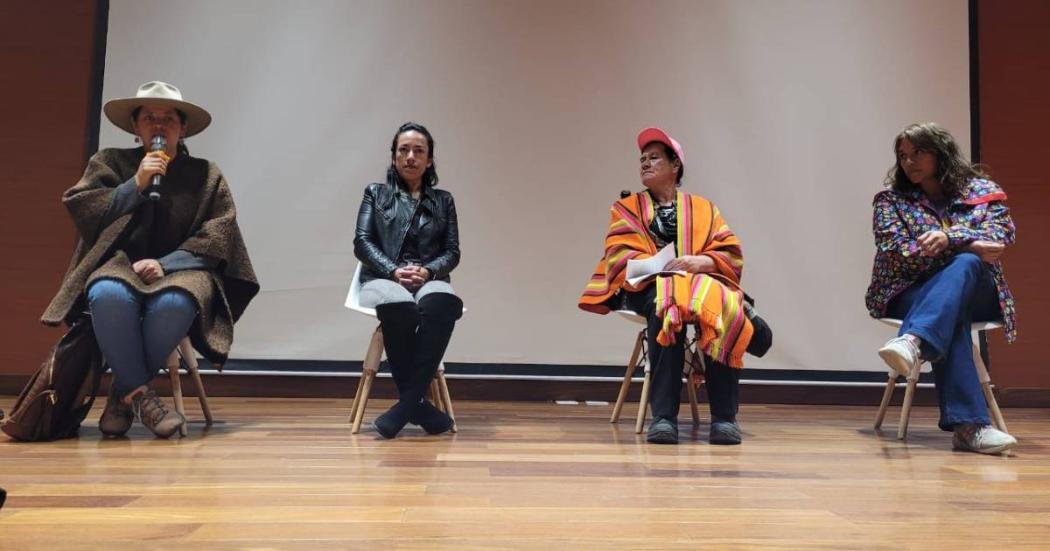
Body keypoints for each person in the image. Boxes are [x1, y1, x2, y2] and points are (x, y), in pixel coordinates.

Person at [41, 81, 258, 438]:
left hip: (184, 267)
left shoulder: (206, 174)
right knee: (107, 294)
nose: (159, 125)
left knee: (176, 301)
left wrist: (166, 264)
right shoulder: (110, 162)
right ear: (135, 126)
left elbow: (220, 233)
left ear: (183, 127)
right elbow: (84, 210)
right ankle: (139, 394)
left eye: (168, 118)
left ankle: (122, 394)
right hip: (119, 263)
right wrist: (135, 185)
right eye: (149, 118)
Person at [580, 127, 768, 445]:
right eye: (642, 158)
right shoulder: (626, 208)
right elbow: (619, 253)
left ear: (675, 165)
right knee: (665, 307)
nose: (645, 163)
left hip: (698, 286)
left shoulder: (703, 208)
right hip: (649, 288)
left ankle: (724, 418)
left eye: (654, 157)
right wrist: (658, 267)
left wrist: (700, 262)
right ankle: (664, 418)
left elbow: (729, 252)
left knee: (721, 309)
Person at [866, 122, 1017, 454]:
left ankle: (913, 341)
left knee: (966, 268)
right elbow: (899, 252)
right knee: (953, 309)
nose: (909, 162)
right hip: (907, 292)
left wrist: (950, 238)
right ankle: (970, 428)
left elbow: (1002, 234)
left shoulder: (981, 192)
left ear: (941, 152)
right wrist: (968, 246)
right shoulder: (891, 201)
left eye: (918, 152)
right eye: (903, 155)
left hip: (978, 293)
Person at [353, 122, 462, 438]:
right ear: (393, 157)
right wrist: (393, 271)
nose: (411, 156)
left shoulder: (444, 200)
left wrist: (428, 272)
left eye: (419, 151)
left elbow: (452, 251)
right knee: (399, 304)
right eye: (404, 150)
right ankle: (419, 407)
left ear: (429, 160)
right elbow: (362, 242)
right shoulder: (376, 193)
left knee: (444, 301)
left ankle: (406, 406)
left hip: (429, 276)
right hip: (384, 276)